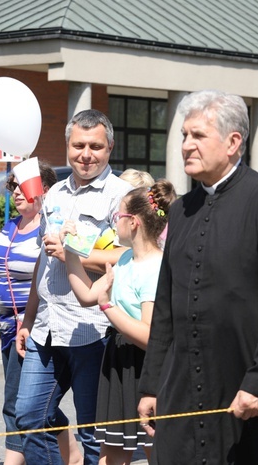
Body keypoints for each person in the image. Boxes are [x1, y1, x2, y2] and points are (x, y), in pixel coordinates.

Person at [137, 90, 258, 464]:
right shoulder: (180, 212)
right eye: (183, 136)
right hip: (186, 389)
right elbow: (166, 307)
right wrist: (152, 384)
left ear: (233, 142)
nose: (186, 146)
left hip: (251, 389)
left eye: (198, 136)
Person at [15, 109, 132, 465]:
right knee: (29, 417)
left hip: (93, 330)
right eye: (78, 145)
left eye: (95, 146)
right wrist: (29, 318)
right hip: (46, 327)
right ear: (67, 145)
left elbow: (128, 257)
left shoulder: (123, 196)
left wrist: (74, 254)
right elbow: (42, 260)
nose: (86, 154)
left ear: (110, 147)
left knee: (93, 432)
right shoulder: (54, 195)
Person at [0, 163, 81, 465]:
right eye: (13, 186)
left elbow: (50, 275)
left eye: (24, 186)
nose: (16, 192)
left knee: (16, 404)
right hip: (7, 328)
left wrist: (30, 320)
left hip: (31, 328)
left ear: (42, 191)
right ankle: (72, 455)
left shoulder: (48, 229)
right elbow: (0, 275)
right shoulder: (11, 226)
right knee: (34, 405)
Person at [62, 180, 176, 465]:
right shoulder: (125, 259)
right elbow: (88, 295)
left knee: (156, 449)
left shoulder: (155, 268)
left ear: (134, 222)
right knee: (112, 453)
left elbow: (150, 335)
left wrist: (108, 307)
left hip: (145, 368)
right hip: (118, 360)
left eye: (117, 217)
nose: (114, 225)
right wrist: (69, 252)